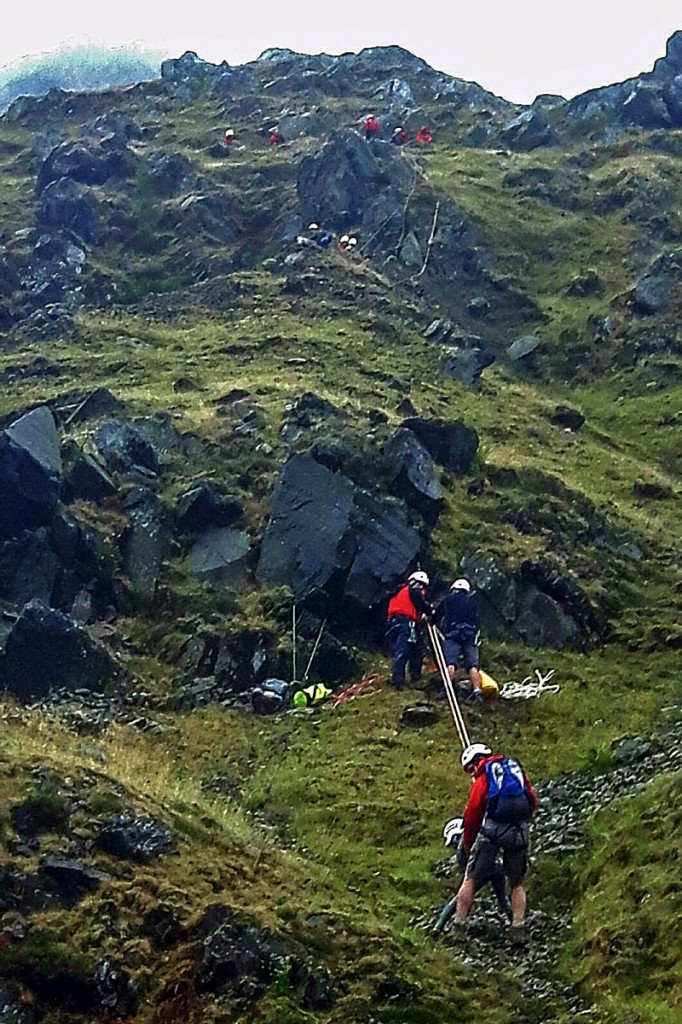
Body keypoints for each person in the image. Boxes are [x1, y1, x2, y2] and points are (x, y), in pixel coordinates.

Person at [452, 743, 538, 942]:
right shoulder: (512, 769)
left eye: (469, 769)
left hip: (492, 831)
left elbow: (473, 814)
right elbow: (532, 799)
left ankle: (458, 927)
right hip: (519, 831)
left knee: (470, 879)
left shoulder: (483, 777)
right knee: (517, 883)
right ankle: (518, 927)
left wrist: (467, 844)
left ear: (475, 763)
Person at [433, 816, 511, 934]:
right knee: (503, 900)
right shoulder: (484, 832)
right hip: (497, 867)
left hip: (479, 871)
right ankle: (516, 922)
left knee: (460, 897)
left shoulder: (464, 847)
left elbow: (464, 866)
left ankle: (440, 926)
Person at [435, 578, 483, 701]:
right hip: (469, 636)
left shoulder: (448, 600)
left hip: (453, 635)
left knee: (450, 663)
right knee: (473, 666)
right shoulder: (473, 603)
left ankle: (446, 689)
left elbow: (437, 617)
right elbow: (477, 621)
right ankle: (477, 691)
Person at [385, 571, 432, 690]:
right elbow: (422, 605)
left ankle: (410, 677)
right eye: (420, 584)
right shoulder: (412, 591)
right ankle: (399, 681)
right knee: (404, 651)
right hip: (406, 624)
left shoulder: (398, 592)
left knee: (412, 650)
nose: (421, 588)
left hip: (395, 623)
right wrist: (429, 610)